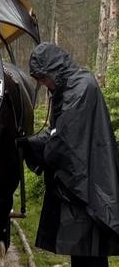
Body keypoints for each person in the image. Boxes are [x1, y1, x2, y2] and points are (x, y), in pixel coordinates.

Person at [21, 42, 119, 267]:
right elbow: (59, 132)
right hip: (81, 183)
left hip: (89, 184)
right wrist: (29, 143)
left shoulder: (81, 88)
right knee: (82, 248)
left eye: (43, 78)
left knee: (91, 250)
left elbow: (64, 140)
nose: (44, 84)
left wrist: (39, 151)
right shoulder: (69, 87)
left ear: (53, 70)